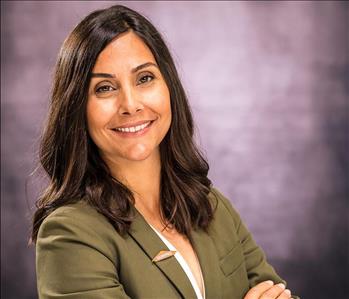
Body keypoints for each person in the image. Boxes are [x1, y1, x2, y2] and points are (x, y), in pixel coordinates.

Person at [31, 4, 299, 299]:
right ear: (76, 108)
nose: (130, 104)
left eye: (144, 78)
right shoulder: (70, 234)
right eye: (105, 88)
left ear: (169, 86)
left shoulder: (209, 205)